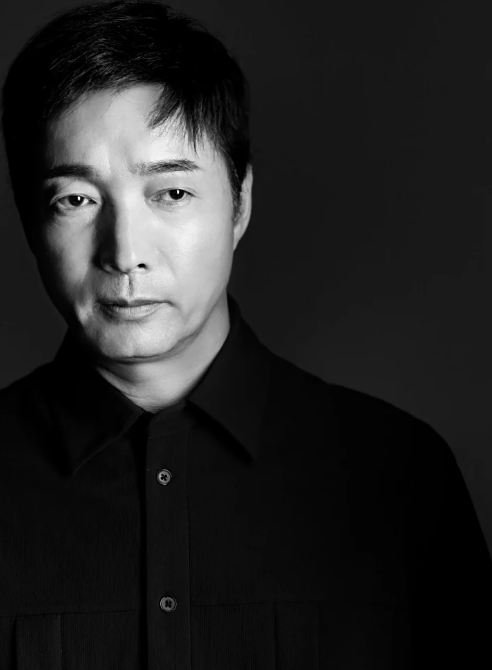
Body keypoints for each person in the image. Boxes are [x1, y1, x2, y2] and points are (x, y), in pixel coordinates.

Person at [0, 1, 490, 668]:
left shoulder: (400, 474)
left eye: (171, 193)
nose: (125, 253)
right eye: (77, 200)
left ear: (240, 204)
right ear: (32, 225)